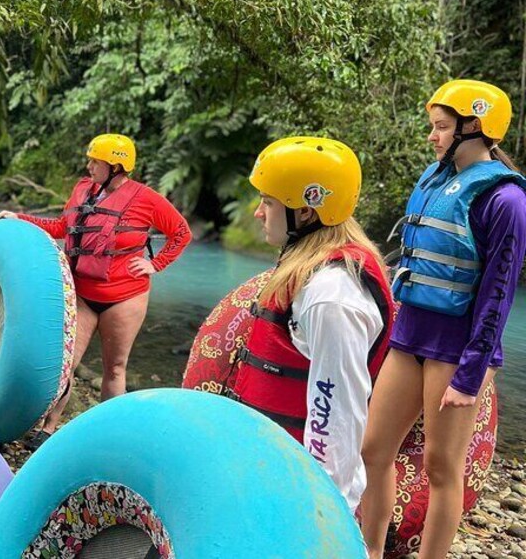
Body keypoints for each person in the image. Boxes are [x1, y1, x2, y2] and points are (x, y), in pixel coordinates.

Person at [361, 80, 526, 558]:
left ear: (473, 128)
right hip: (411, 334)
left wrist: (471, 376)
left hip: (458, 348)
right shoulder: (436, 180)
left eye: (441, 127)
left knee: (441, 467)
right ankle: (370, 550)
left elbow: (498, 295)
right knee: (374, 450)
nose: (432, 137)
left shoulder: (506, 201)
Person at [224, 136, 394, 513]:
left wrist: (321, 513)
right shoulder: (312, 277)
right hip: (273, 472)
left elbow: (336, 415)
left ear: (304, 212)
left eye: (268, 202)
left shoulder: (332, 295)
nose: (257, 212)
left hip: (300, 494)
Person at [0, 133, 192, 450]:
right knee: (65, 364)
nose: (88, 166)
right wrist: (19, 219)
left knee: (114, 368)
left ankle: (108, 436)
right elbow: (61, 227)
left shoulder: (146, 199)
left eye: (94, 161)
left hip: (125, 297)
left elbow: (181, 233)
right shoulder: (83, 190)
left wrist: (157, 264)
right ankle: (48, 427)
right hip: (83, 293)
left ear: (115, 166)